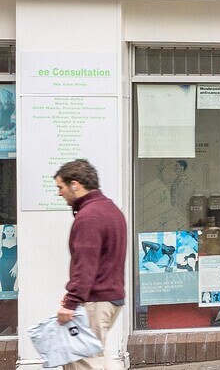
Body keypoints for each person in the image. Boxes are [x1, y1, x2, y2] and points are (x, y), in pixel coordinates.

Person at [54, 158, 126, 370]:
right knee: (97, 357)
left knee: (82, 362)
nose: (59, 193)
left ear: (74, 184)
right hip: (110, 297)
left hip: (96, 299)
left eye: (61, 187)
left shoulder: (89, 217)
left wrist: (71, 302)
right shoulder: (110, 209)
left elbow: (86, 264)